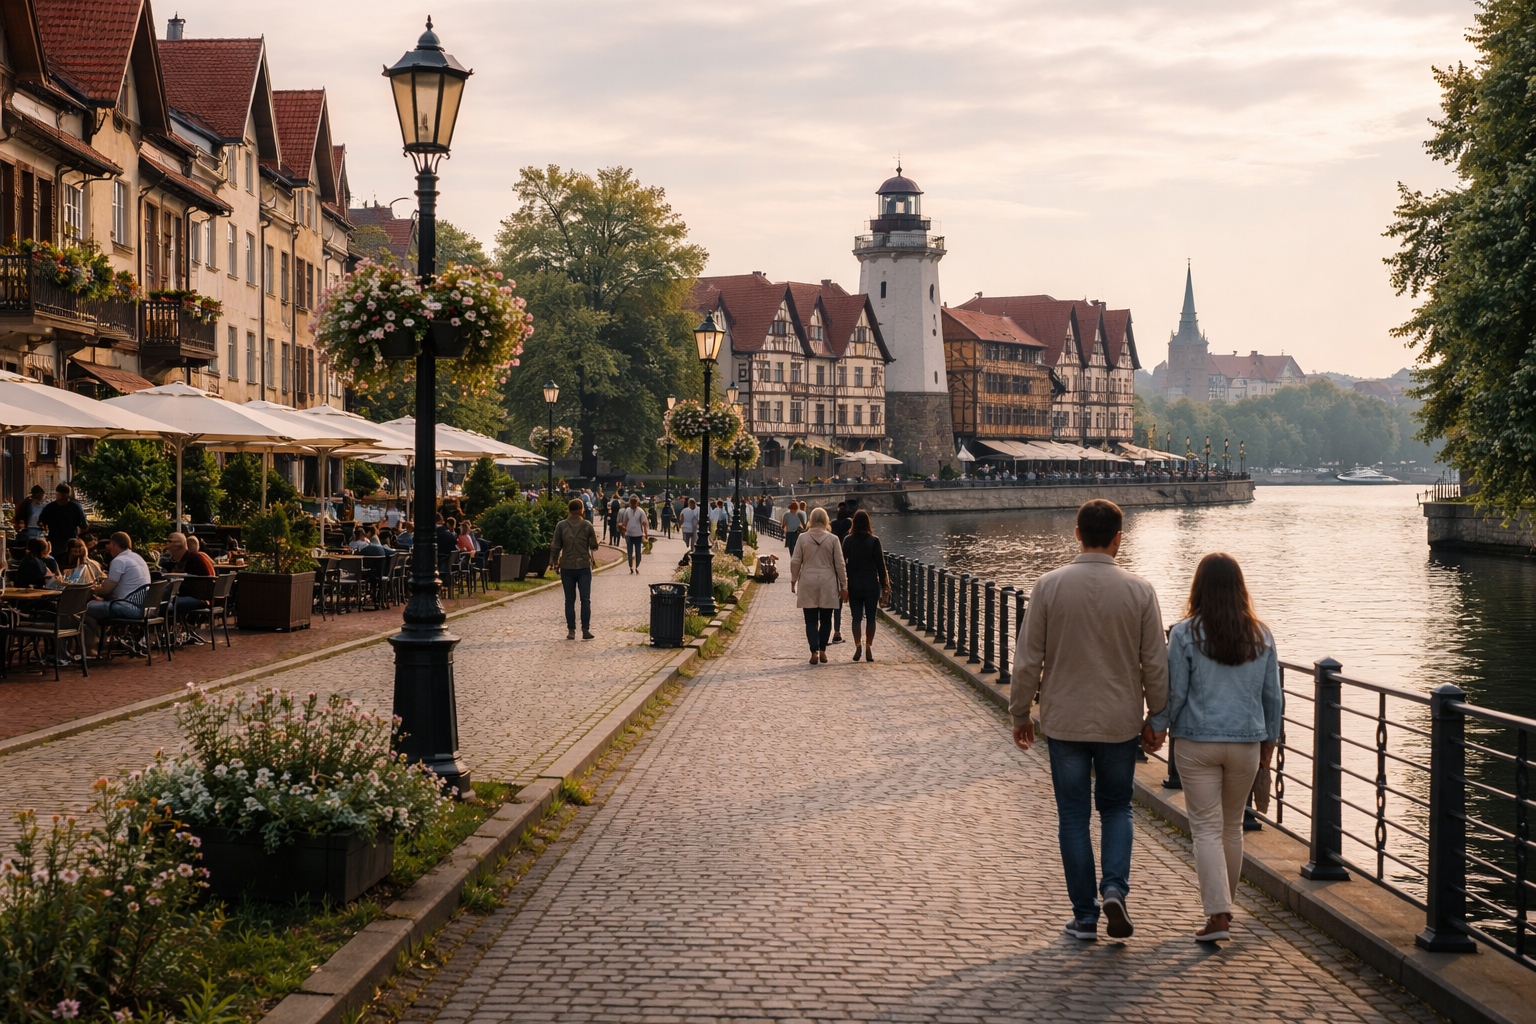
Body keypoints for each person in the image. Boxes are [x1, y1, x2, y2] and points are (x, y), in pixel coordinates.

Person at [1009, 499, 1169, 943]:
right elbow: (1155, 663)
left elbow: (1027, 660)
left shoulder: (1049, 586)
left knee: (1074, 817)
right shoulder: (1140, 591)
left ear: (1076, 534)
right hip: (1120, 721)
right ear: (1120, 537)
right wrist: (1158, 716)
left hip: (1064, 720)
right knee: (1117, 808)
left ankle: (1084, 915)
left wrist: (1021, 711)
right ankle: (1115, 886)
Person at [1150, 553, 1282, 944]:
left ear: (1199, 587)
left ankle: (1218, 914)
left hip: (1196, 742)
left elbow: (1175, 693)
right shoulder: (1262, 635)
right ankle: (1225, 910)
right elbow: (1273, 698)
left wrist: (1156, 727)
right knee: (1231, 829)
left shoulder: (1185, 633)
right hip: (1246, 742)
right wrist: (1268, 746)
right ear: (1241, 588)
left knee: (1205, 829)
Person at [790, 507, 847, 665]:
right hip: (827, 582)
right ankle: (823, 650)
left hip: (808, 581)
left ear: (811, 520)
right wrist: (844, 585)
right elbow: (840, 565)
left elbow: (795, 561)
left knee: (810, 620)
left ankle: (813, 651)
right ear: (826, 520)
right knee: (826, 619)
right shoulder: (833, 539)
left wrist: (794, 579)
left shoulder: (802, 538)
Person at [85, 532, 152, 654]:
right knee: (96, 606)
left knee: (83, 609)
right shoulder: (137, 558)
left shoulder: (119, 560)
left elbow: (106, 590)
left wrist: (91, 587)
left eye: (110, 544)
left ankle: (98, 641)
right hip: (144, 607)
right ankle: (102, 639)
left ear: (113, 544)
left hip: (128, 607)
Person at [841, 510, 889, 662]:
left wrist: (843, 584)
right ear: (868, 523)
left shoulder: (848, 540)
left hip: (854, 583)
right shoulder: (874, 540)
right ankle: (869, 646)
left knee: (856, 618)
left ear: (854, 522)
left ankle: (857, 645)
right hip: (871, 583)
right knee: (871, 618)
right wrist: (885, 586)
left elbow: (842, 563)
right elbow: (881, 566)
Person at [551, 498, 599, 640]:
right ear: (582, 510)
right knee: (585, 599)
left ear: (569, 510)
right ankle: (585, 629)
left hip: (567, 566)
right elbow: (594, 546)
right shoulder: (587, 525)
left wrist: (554, 561)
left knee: (569, 600)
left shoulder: (561, 525)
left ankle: (571, 631)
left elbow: (555, 546)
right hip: (584, 566)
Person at [829, 503, 854, 644]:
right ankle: (837, 631)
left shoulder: (833, 525)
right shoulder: (849, 524)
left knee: (829, 600)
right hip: (842, 564)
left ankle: (826, 628)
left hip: (830, 564)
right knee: (839, 601)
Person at [38, 483, 88, 551]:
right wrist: (44, 527)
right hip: (54, 541)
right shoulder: (49, 507)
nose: (58, 496)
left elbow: (84, 525)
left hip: (70, 543)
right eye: (58, 494)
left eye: (61, 494)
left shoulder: (75, 507)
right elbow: (41, 522)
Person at [619, 495, 649, 573]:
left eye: (634, 503)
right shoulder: (627, 511)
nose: (632, 505)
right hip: (629, 534)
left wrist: (646, 533)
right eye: (631, 503)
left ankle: (637, 566)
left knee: (638, 551)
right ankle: (631, 567)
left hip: (638, 534)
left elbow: (644, 523)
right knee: (629, 551)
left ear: (637, 503)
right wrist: (623, 530)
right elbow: (625, 521)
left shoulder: (640, 511)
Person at [678, 498, 699, 565]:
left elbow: (681, 518)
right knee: (692, 543)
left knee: (685, 542)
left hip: (685, 528)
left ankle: (687, 552)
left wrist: (680, 525)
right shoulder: (697, 510)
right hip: (693, 529)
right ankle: (690, 552)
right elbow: (698, 520)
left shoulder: (684, 510)